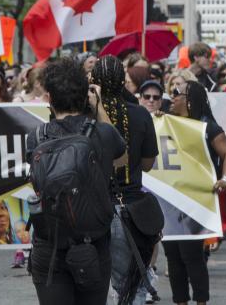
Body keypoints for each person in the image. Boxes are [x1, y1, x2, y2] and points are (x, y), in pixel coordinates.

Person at [26, 56, 126, 305]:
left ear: (48, 97)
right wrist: (98, 107)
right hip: (93, 241)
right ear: (85, 94)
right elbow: (123, 159)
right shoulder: (103, 133)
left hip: (49, 243)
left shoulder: (36, 137)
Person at [91, 55, 159, 305]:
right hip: (128, 208)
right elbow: (148, 165)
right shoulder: (141, 115)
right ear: (124, 81)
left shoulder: (84, 118)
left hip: (91, 209)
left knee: (95, 284)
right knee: (132, 284)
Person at [164, 81, 226, 305]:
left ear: (190, 99)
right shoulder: (168, 123)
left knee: (191, 255)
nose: (171, 97)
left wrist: (224, 179)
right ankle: (180, 301)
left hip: (195, 200)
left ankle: (201, 301)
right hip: (170, 199)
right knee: (172, 256)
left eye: (176, 93)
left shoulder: (208, 127)